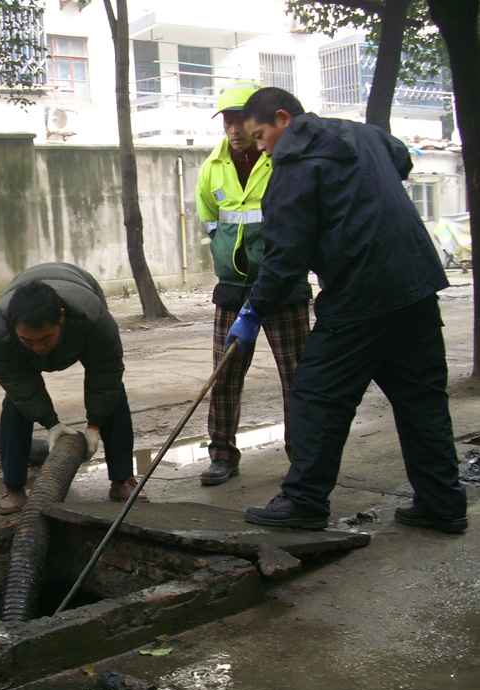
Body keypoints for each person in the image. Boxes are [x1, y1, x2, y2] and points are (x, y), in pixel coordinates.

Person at [232, 86, 467, 533]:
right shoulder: (364, 135)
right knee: (421, 399)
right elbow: (402, 159)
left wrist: (252, 313)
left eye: (261, 136)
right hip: (416, 283)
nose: (261, 149)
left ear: (284, 119)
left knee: (317, 395)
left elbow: (284, 258)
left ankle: (303, 500)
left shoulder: (295, 166)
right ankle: (442, 502)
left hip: (361, 294)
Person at [195, 80, 311, 486]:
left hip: (282, 286)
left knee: (297, 376)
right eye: (227, 121)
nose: (234, 129)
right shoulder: (211, 167)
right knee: (224, 375)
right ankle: (221, 454)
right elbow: (212, 223)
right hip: (233, 287)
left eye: (241, 120)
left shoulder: (281, 157)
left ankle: (304, 457)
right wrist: (232, 259)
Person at [0, 262, 146, 515]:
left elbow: (105, 373)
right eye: (28, 340)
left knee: (113, 392)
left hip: (81, 291)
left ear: (61, 317)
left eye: (45, 338)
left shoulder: (93, 317)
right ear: (15, 326)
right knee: (16, 403)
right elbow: (17, 381)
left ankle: (122, 479)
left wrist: (94, 425)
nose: (38, 348)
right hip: (28, 313)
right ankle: (13, 486)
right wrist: (51, 424)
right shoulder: (0, 329)